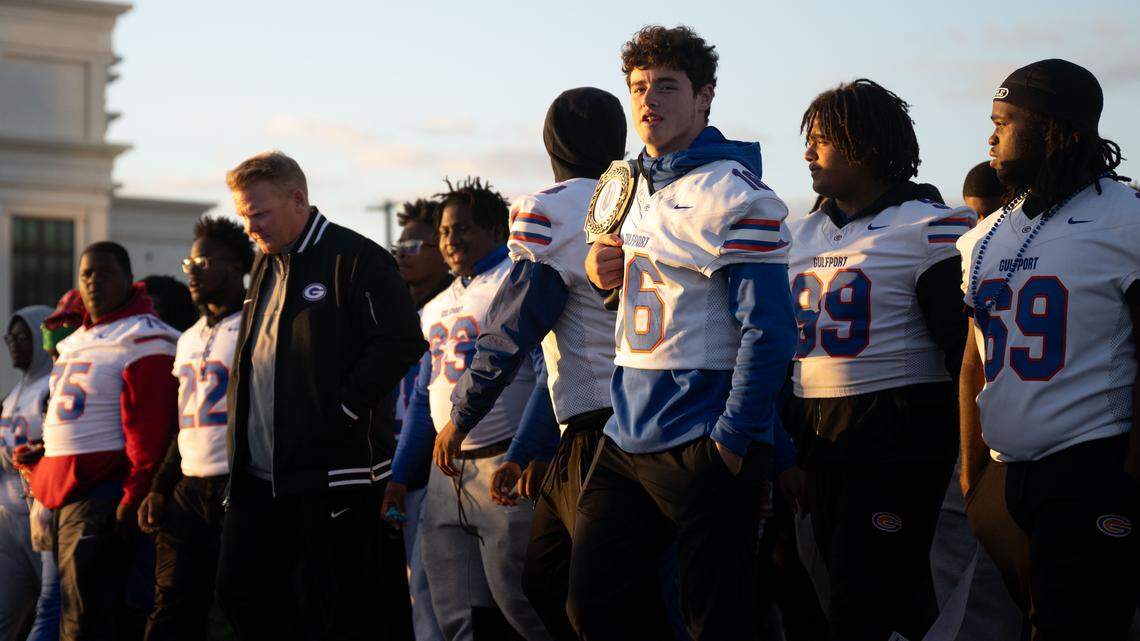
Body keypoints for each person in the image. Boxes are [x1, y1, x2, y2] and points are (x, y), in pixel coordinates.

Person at [576, 25, 797, 640]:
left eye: (667, 87)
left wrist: (733, 437)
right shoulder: (629, 183)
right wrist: (604, 274)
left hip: (702, 436)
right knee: (592, 605)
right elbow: (652, 303)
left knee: (716, 621)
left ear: (704, 97)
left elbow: (771, 331)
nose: (649, 100)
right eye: (639, 87)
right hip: (626, 435)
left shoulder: (735, 193)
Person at [783, 78, 975, 640]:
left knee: (864, 599)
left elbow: (961, 347)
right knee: (826, 598)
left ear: (865, 146)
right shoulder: (799, 233)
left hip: (898, 429)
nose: (808, 152)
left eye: (822, 140)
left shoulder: (930, 226)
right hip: (816, 433)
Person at [431, 87, 626, 641]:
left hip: (601, 431)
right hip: (629, 415)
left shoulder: (551, 207)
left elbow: (512, 332)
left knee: (577, 594)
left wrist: (460, 417)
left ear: (552, 142)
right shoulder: (643, 196)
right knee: (556, 580)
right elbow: (555, 356)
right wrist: (536, 445)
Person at [958, 58, 1140, 640]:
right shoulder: (984, 236)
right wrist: (972, 477)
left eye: (1005, 120)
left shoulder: (1126, 218)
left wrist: (1130, 477)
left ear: (1055, 128)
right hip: (1005, 479)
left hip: (1090, 465)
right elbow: (973, 363)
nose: (991, 134)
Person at [215, 151, 424, 641]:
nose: (250, 227)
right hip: (259, 479)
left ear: (297, 199)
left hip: (333, 475)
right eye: (244, 216)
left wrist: (344, 410)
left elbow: (402, 341)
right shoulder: (263, 265)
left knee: (340, 610)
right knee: (239, 592)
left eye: (258, 213)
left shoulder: (356, 257)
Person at [388, 177, 555, 641]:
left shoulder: (514, 279)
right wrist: (401, 475)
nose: (450, 240)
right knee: (455, 610)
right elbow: (426, 395)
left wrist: (528, 450)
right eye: (443, 231)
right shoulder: (438, 303)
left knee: (521, 603)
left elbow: (549, 376)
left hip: (503, 460)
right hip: (448, 472)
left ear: (495, 231)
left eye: (462, 229)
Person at [22, 241, 180, 641]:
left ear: (129, 280)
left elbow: (151, 428)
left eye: (105, 272)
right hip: (64, 491)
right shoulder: (79, 337)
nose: (93, 281)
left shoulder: (144, 335)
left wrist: (135, 491)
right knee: (68, 612)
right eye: (86, 274)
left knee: (89, 621)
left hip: (103, 489)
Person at [135, 216, 252, 641]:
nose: (193, 271)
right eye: (190, 263)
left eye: (204, 261)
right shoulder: (188, 337)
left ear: (238, 264)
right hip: (188, 487)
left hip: (240, 482)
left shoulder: (258, 325)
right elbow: (181, 422)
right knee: (171, 602)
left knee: (245, 602)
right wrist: (159, 486)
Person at [388, 198, 451, 641]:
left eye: (416, 243)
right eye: (400, 242)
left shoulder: (455, 309)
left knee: (439, 595)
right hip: (398, 467)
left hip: (438, 468)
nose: (403, 251)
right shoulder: (396, 314)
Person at [0, 304, 52, 641]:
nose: (15, 344)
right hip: (8, 522)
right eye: (10, 338)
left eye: (24, 336)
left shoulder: (52, 386)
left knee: (52, 615)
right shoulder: (14, 394)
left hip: (41, 517)